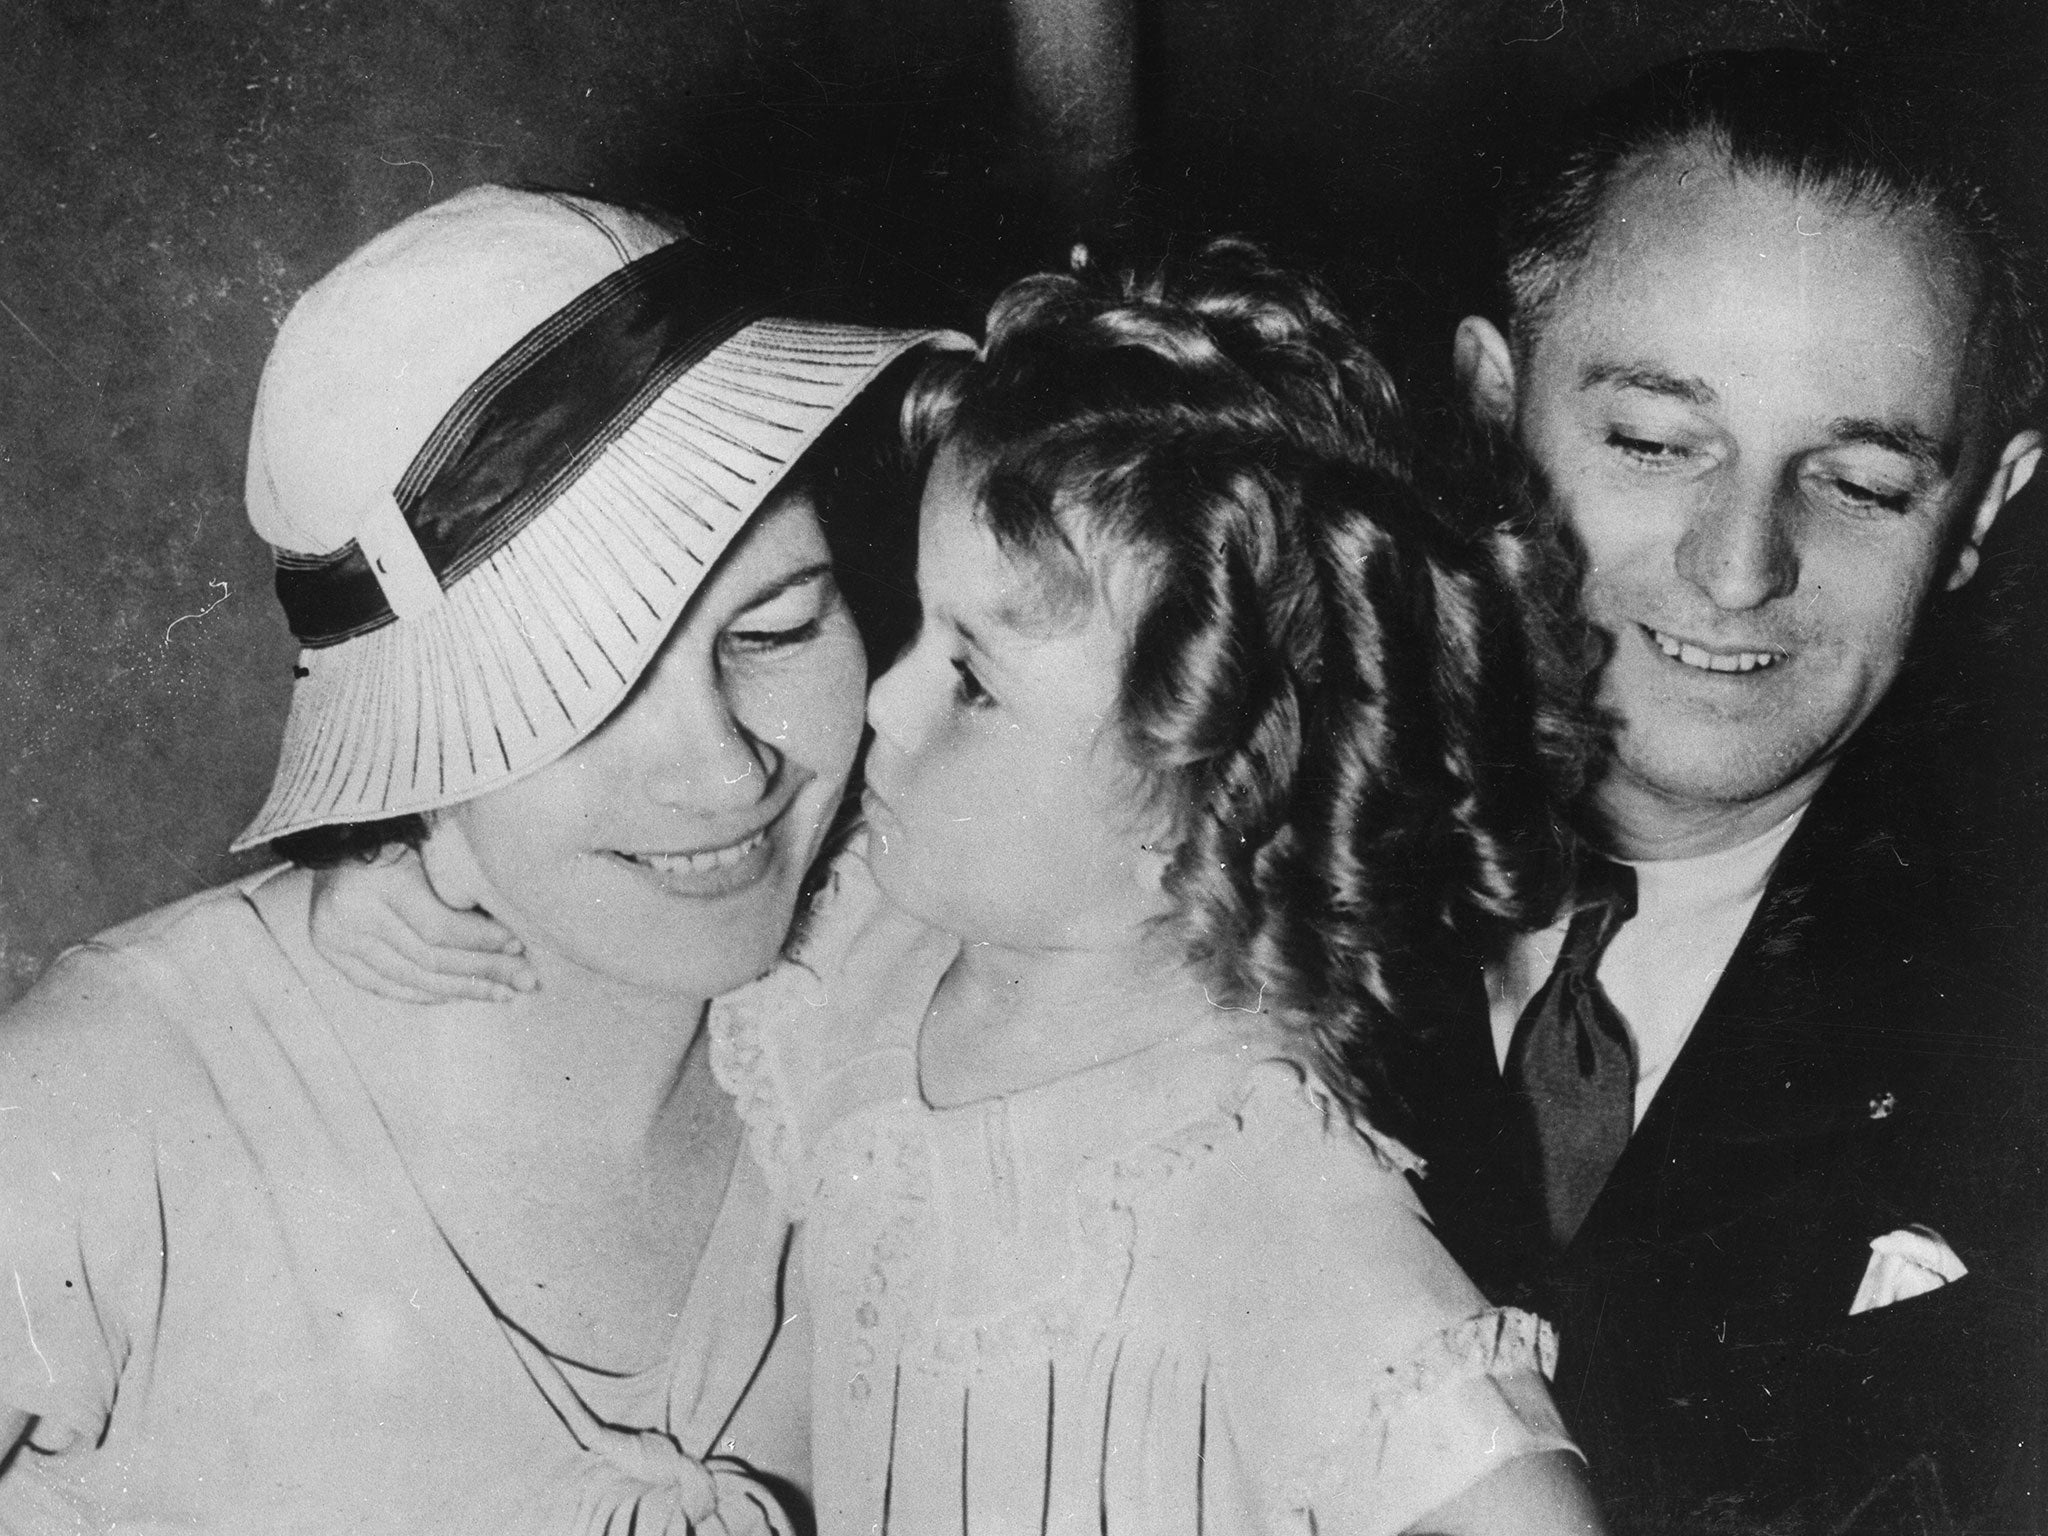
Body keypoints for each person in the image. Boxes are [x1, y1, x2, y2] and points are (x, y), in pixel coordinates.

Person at [325, 240, 1610, 1534]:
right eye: (918, 627)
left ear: (1208, 790)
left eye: (975, 684)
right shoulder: (872, 943)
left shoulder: (1250, 1179)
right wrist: (434, 872)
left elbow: (1509, 1494)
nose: (884, 698)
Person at [0, 184, 965, 1532]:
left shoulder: (926, 1041)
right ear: (413, 748)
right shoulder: (107, 1107)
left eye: (778, 628)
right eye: (591, 691)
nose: (724, 770)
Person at [1418, 49, 2048, 1535]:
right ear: (1490, 406)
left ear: (1984, 515)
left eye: (1862, 483)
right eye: (1653, 442)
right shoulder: (1233, 849)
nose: (1740, 564)